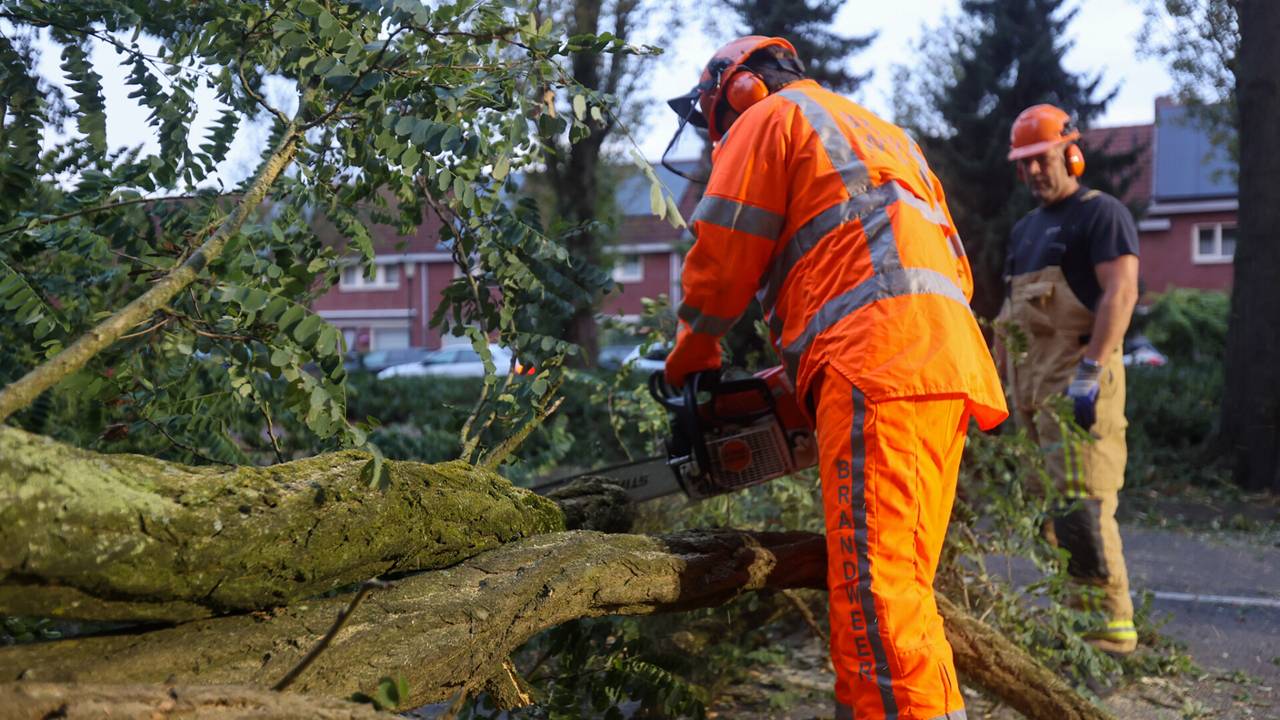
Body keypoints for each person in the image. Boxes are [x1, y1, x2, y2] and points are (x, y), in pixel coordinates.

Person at [663, 36, 1007, 720]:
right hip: (941, 363)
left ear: (738, 91)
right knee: (898, 585)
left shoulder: (768, 120)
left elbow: (721, 257)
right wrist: (804, 377)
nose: (715, 143)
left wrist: (691, 358)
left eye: (713, 123)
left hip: (876, 367)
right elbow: (936, 272)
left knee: (879, 598)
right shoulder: (882, 134)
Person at [999, 103, 1141, 655]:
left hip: (1079, 389)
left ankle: (1109, 633)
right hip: (1032, 398)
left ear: (1071, 153)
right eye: (1024, 163)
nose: (1034, 171)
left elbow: (1121, 292)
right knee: (1047, 515)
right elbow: (1012, 322)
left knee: (1083, 508)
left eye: (1043, 158)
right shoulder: (1025, 231)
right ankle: (1071, 623)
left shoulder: (1099, 215)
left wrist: (1092, 368)